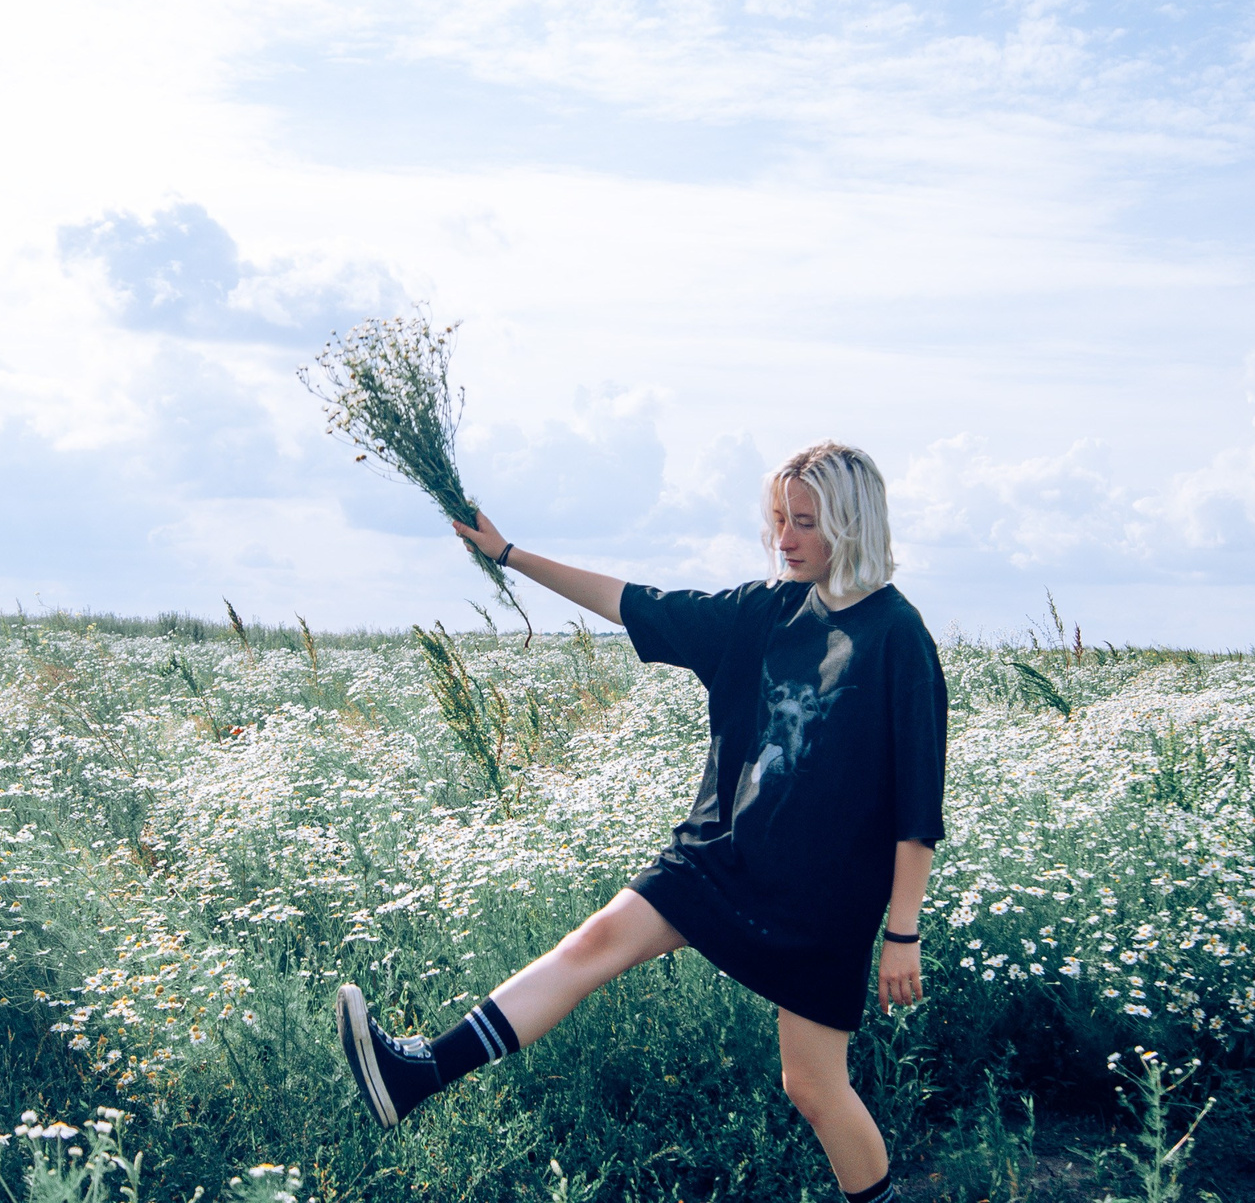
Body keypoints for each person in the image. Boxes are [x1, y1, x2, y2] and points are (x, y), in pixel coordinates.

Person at [334, 440, 948, 1203]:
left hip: (820, 905)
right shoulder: (763, 610)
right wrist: (510, 554)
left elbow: (918, 805)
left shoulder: (898, 638)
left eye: (804, 522)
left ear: (851, 525)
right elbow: (633, 600)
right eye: (777, 519)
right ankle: (418, 1071)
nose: (783, 539)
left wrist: (903, 931)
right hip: (719, 860)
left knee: (813, 1088)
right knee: (590, 942)